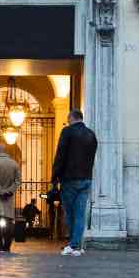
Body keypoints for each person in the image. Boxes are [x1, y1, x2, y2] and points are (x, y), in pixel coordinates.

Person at [50, 109, 97, 257]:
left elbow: (60, 155)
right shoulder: (91, 134)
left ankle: (73, 244)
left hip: (70, 179)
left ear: (71, 118)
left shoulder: (67, 132)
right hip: (86, 179)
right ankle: (78, 245)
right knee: (80, 214)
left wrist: (54, 177)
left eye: (68, 119)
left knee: (70, 214)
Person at [0, 144, 21, 253]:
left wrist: (0, 191)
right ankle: (7, 246)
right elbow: (17, 181)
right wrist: (9, 191)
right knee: (9, 222)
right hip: (9, 197)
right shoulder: (14, 163)